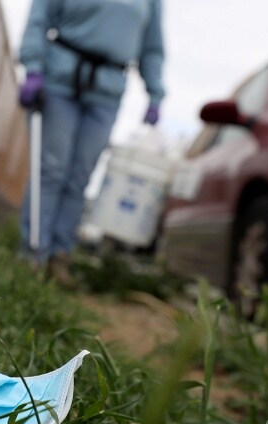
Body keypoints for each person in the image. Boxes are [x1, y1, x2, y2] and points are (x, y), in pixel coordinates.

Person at [17, 0, 165, 287]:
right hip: (59, 80)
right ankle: (33, 254)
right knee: (51, 169)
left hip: (107, 93)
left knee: (79, 176)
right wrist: (32, 65)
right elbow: (40, 15)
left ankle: (60, 255)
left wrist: (155, 92)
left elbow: (152, 47)